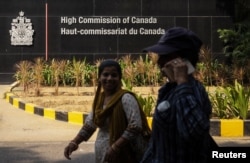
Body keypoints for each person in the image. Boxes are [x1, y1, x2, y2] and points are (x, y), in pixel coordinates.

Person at [140, 27, 215, 163]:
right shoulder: (168, 90)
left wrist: (182, 82)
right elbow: (157, 143)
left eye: (165, 56)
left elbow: (194, 134)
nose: (159, 62)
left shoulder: (193, 91)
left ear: (182, 61)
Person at [64, 59, 151, 163]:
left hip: (124, 153)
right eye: (105, 75)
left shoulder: (126, 98)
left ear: (119, 78)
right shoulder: (99, 100)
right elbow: (90, 125)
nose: (109, 78)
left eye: (114, 75)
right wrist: (74, 142)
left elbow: (135, 126)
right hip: (104, 155)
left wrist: (115, 147)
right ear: (99, 78)